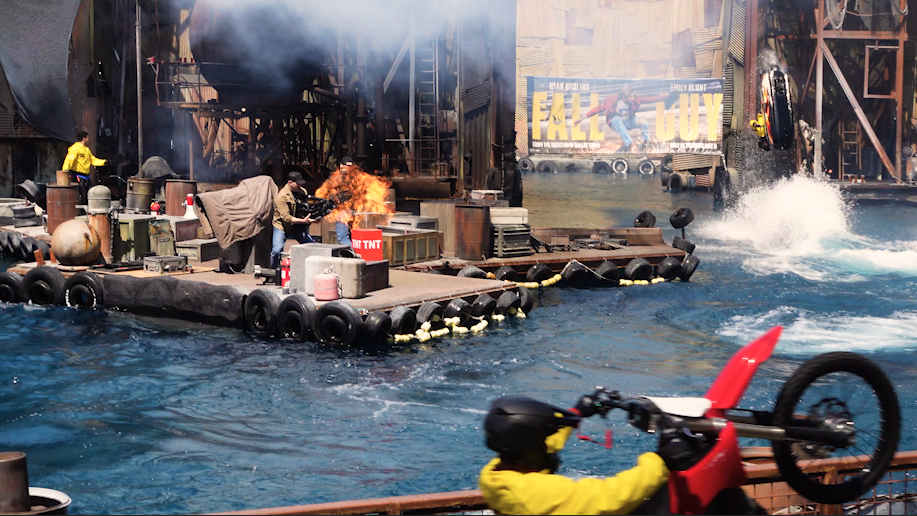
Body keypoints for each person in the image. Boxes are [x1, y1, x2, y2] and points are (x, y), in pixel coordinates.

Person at [478, 389, 702, 515]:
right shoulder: (534, 493)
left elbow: (542, 442)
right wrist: (662, 460)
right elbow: (610, 497)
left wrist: (577, 413)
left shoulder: (497, 474)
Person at [574, 84, 671, 153]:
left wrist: (667, 96)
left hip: (629, 121)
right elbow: (598, 109)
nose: (633, 98)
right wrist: (582, 118)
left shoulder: (635, 99)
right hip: (617, 123)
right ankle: (631, 144)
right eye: (630, 97)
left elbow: (650, 99)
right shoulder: (612, 101)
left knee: (643, 121)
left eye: (633, 96)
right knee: (616, 119)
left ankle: (646, 143)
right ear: (624, 97)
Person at [271, 171, 316, 269]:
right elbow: (286, 217)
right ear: (290, 183)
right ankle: (273, 271)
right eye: (298, 183)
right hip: (282, 226)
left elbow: (304, 208)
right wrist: (303, 221)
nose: (300, 185)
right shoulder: (281, 196)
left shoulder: (302, 192)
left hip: (297, 226)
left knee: (312, 246)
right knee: (277, 250)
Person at [62, 130, 108, 203]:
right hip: (78, 176)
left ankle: (88, 207)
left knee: (89, 193)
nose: (88, 140)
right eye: (88, 138)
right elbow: (69, 159)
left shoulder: (86, 149)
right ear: (84, 139)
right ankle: (82, 208)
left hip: (86, 176)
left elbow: (92, 160)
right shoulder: (75, 148)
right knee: (82, 194)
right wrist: (65, 171)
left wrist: (104, 162)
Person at [333, 156, 356, 247]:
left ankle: (352, 252)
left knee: (343, 237)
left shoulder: (339, 178)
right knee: (347, 236)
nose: (348, 168)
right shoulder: (356, 178)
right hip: (348, 210)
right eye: (347, 165)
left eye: (350, 166)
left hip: (346, 210)